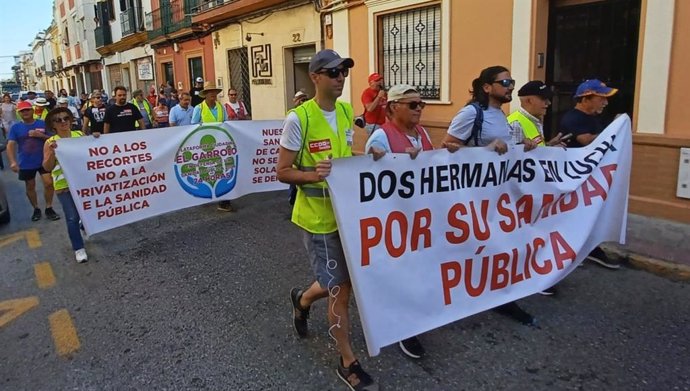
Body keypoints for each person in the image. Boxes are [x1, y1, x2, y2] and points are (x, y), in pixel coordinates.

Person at [277, 49, 377, 391]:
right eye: (333, 72)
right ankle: (347, 361)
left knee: (339, 281)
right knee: (341, 288)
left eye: (344, 72)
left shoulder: (348, 111)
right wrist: (314, 176)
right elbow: (282, 172)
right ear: (315, 76)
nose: (340, 77)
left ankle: (302, 299)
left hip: (348, 215)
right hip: (318, 220)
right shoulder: (299, 118)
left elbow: (347, 158)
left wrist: (373, 156)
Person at [365, 84, 459, 359]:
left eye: (421, 104)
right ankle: (404, 329)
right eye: (413, 104)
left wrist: (450, 156)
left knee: (422, 270)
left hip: (423, 220)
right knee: (401, 275)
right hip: (396, 223)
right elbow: (370, 181)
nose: (420, 109)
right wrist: (389, 161)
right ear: (394, 107)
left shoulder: (423, 134)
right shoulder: (380, 138)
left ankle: (416, 315)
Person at [443, 65, 537, 326]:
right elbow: (447, 146)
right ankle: (463, 292)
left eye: (512, 82)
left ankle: (499, 296)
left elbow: (504, 152)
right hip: (473, 194)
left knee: (499, 244)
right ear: (487, 87)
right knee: (475, 245)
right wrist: (485, 149)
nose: (511, 86)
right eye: (505, 82)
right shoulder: (471, 113)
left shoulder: (500, 114)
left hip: (498, 194)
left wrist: (523, 147)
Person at [507, 80, 567, 296]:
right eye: (544, 99)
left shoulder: (534, 121)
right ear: (529, 100)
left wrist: (549, 147)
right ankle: (528, 277)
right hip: (522, 193)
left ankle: (537, 272)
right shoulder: (515, 122)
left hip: (535, 190)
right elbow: (511, 160)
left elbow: (532, 152)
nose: (548, 104)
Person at [559, 78, 621, 270]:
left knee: (591, 215)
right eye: (601, 98)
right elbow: (586, 140)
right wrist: (614, 128)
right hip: (575, 179)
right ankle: (570, 252)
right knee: (573, 217)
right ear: (586, 98)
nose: (606, 102)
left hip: (592, 177)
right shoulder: (572, 119)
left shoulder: (594, 118)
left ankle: (588, 249)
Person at [43, 107, 97, 263]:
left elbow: (92, 153)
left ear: (71, 120)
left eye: (65, 118)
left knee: (87, 212)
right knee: (72, 217)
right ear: (53, 125)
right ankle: (79, 248)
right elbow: (47, 167)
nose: (63, 122)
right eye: (58, 120)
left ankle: (83, 226)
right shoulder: (50, 142)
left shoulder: (79, 135)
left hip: (83, 183)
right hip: (63, 186)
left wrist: (95, 139)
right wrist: (52, 153)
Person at [6, 101, 60, 222]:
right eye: (22, 111)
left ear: (32, 110)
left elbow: (53, 139)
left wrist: (40, 135)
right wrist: (13, 162)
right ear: (19, 113)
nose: (25, 112)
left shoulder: (42, 123)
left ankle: (49, 207)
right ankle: (36, 208)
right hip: (26, 161)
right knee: (30, 186)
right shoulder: (16, 127)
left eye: (27, 110)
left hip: (43, 159)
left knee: (49, 183)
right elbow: (10, 145)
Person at [191, 82, 234, 212]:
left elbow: (226, 123)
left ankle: (224, 199)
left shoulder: (221, 107)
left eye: (215, 93)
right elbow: (193, 125)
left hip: (221, 143)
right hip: (205, 145)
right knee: (207, 169)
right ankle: (206, 193)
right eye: (210, 93)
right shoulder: (199, 108)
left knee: (223, 169)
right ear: (205, 95)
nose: (213, 96)